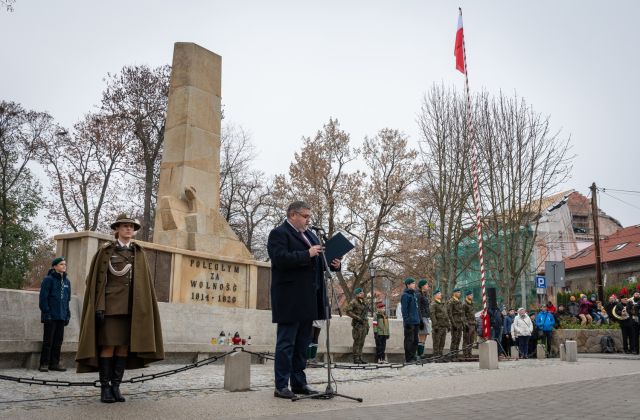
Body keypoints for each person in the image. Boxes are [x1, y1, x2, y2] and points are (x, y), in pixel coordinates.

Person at [76, 214, 164, 403]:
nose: (128, 229)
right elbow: (96, 283)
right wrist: (99, 307)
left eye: (131, 227)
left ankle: (116, 387)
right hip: (110, 309)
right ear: (117, 229)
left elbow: (144, 285)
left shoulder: (138, 252)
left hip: (132, 310)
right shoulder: (106, 252)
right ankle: (105, 388)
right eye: (124, 226)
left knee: (123, 348)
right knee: (108, 346)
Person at [267, 201, 340, 399]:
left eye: (309, 216)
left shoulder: (311, 235)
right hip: (290, 298)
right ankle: (281, 386)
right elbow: (279, 258)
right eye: (305, 216)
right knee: (286, 343)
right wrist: (307, 253)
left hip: (309, 298)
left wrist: (333, 264)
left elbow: (318, 263)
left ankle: (299, 383)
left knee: (302, 344)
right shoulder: (279, 234)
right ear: (292, 215)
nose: (309, 220)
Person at [38, 256, 71, 372]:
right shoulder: (48, 280)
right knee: (48, 341)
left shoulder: (67, 281)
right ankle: (44, 363)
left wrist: (67, 314)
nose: (64, 266)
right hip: (51, 316)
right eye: (61, 264)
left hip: (61, 316)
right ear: (55, 266)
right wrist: (47, 313)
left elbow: (67, 300)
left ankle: (54, 363)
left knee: (58, 341)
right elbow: (43, 299)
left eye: (65, 264)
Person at [345, 287, 370, 364]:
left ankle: (360, 357)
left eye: (362, 292)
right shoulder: (354, 302)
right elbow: (348, 311)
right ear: (357, 294)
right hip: (357, 324)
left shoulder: (364, 302)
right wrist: (357, 317)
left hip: (364, 324)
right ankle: (356, 358)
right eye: (360, 293)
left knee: (362, 341)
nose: (362, 294)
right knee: (357, 341)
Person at [400, 278, 420, 362]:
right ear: (408, 285)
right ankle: (409, 357)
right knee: (409, 340)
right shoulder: (405, 295)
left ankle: (413, 355)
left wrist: (420, 320)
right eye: (412, 283)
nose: (414, 285)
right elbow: (404, 310)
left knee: (415, 340)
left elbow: (416, 309)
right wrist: (407, 321)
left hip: (416, 321)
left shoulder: (414, 295)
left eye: (414, 283)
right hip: (409, 322)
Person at [430, 289, 450, 360]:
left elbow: (446, 315)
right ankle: (436, 357)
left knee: (442, 343)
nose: (440, 294)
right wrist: (435, 326)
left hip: (443, 326)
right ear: (435, 295)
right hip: (438, 327)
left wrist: (448, 325)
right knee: (436, 343)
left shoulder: (442, 304)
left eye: (440, 293)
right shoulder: (433, 304)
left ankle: (440, 356)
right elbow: (432, 316)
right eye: (438, 293)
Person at [447, 288, 464, 360]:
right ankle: (452, 355)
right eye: (458, 292)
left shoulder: (459, 302)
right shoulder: (451, 302)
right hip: (455, 323)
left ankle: (456, 355)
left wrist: (463, 323)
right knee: (454, 339)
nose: (459, 293)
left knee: (458, 339)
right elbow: (450, 314)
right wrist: (453, 324)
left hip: (460, 323)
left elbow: (461, 314)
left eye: (460, 292)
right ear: (454, 293)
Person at [416, 279, 431, 358]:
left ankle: (421, 353)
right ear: (422, 286)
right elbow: (418, 307)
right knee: (421, 336)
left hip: (425, 317)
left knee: (424, 336)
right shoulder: (418, 294)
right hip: (422, 317)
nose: (427, 286)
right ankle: (419, 354)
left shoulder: (424, 294)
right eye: (426, 284)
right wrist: (420, 320)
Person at [462, 290, 476, 358]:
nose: (472, 296)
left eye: (472, 295)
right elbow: (463, 315)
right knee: (466, 340)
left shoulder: (472, 303)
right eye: (470, 295)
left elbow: (473, 314)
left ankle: (470, 353)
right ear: (467, 296)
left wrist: (475, 323)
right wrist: (465, 324)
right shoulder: (464, 304)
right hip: (468, 325)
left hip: (473, 324)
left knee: (471, 340)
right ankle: (465, 354)